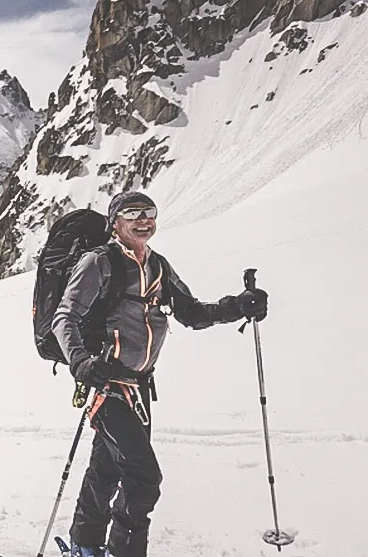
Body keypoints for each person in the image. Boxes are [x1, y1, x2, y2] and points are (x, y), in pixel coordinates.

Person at [52, 191, 269, 557]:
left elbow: (192, 313)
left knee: (105, 469)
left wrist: (238, 306)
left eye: (148, 212)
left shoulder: (159, 266)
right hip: (108, 386)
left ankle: (84, 546)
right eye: (132, 213)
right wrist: (81, 362)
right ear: (115, 222)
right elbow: (65, 317)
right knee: (143, 478)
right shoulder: (98, 262)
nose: (143, 219)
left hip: (140, 386)